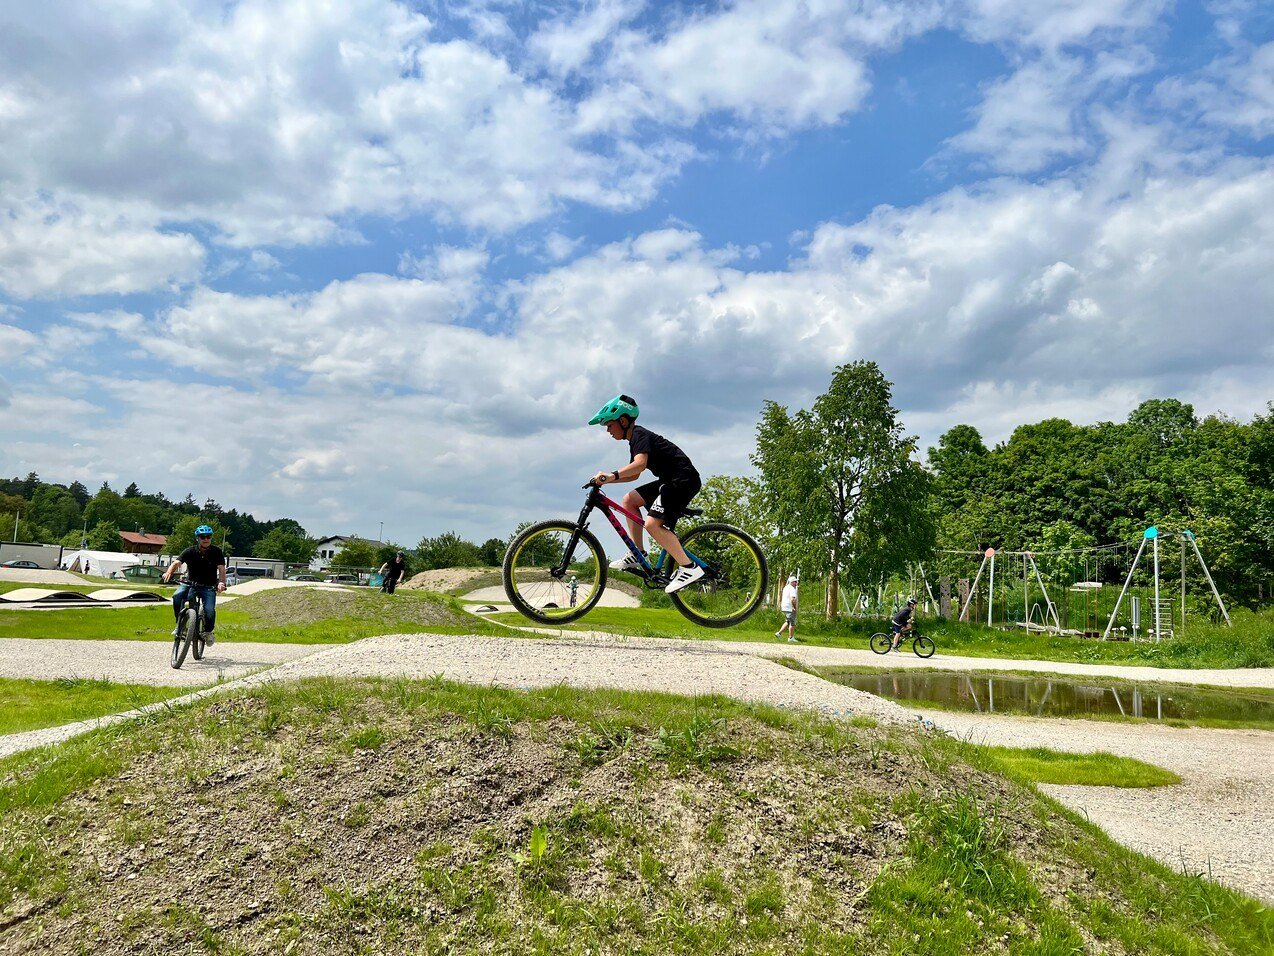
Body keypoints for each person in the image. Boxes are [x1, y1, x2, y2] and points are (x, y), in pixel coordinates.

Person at [588, 394, 705, 594]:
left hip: (683, 480)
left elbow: (639, 464)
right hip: (670, 481)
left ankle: (688, 568)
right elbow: (635, 474)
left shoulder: (639, 435)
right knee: (629, 500)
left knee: (652, 524)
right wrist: (609, 479)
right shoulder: (634, 440)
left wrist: (610, 475)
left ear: (623, 421)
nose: (608, 430)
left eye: (609, 425)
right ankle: (638, 553)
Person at [162, 525, 226, 645]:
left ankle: (208, 632)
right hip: (190, 583)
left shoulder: (216, 552)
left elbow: (222, 569)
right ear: (197, 538)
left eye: (208, 536)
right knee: (177, 596)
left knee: (209, 609)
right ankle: (180, 625)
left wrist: (221, 583)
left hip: (208, 586)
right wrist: (169, 572)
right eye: (203, 537)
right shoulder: (190, 551)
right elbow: (176, 562)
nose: (206, 539)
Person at [776, 575, 799, 642]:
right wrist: (794, 607)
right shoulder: (792, 589)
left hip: (784, 607)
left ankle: (779, 633)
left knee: (788, 621)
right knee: (792, 623)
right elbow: (792, 599)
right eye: (795, 582)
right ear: (791, 582)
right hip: (790, 607)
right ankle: (790, 638)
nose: (796, 583)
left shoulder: (786, 588)